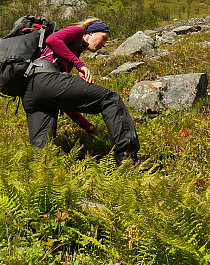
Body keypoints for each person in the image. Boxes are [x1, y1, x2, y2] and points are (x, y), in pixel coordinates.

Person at [21, 18, 141, 164]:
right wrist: (79, 65)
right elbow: (52, 39)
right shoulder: (78, 31)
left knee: (42, 152)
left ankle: (40, 180)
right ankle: (128, 160)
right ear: (90, 33)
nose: (104, 44)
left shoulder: (72, 50)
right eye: (103, 38)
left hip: (32, 91)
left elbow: (62, 100)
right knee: (111, 99)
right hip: (46, 78)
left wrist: (86, 125)